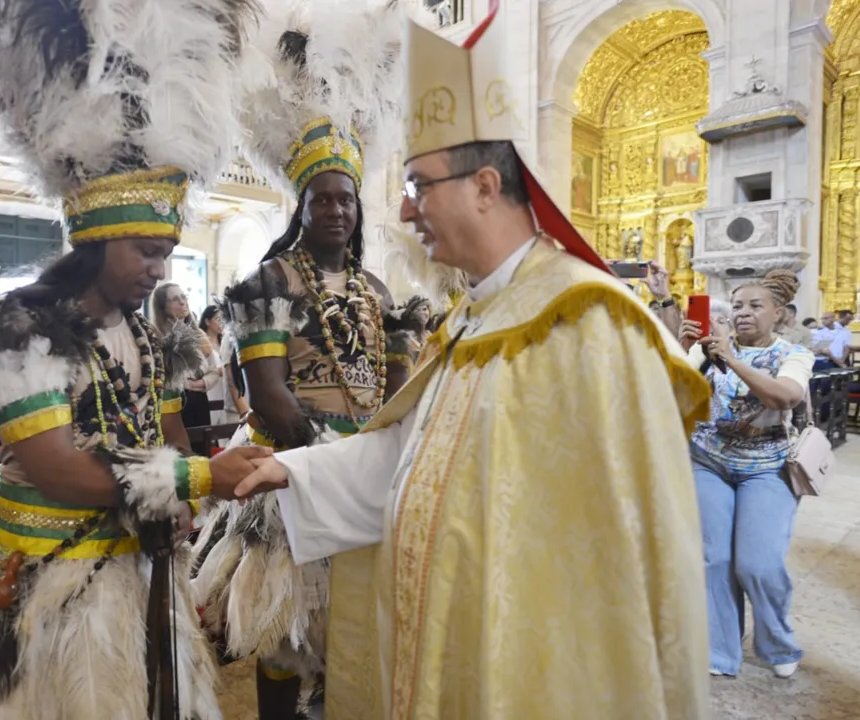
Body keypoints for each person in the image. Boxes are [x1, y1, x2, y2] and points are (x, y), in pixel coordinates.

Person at [229, 5, 711, 718]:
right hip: (445, 628)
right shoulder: (472, 318)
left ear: (486, 187)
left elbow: (627, 550)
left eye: (420, 183)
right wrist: (290, 467)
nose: (400, 206)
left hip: (535, 655)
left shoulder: (589, 322)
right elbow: (413, 455)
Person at [0, 1, 267, 717]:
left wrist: (182, 493)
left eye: (167, 253)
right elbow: (55, 466)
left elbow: (168, 430)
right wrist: (196, 479)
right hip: (42, 573)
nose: (160, 270)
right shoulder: (19, 322)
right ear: (96, 242)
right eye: (146, 251)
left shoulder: (149, 332)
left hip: (134, 563)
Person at [190, 3, 417, 716]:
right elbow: (269, 397)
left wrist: (384, 448)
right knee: (284, 630)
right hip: (292, 467)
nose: (335, 211)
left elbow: (399, 383)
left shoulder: (378, 289)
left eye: (345, 200)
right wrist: (327, 457)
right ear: (301, 205)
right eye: (321, 200)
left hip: (362, 470)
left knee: (349, 626)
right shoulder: (266, 284)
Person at [679, 270, 814, 678]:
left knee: (758, 563)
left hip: (767, 467)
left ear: (779, 313)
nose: (743, 313)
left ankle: (777, 644)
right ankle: (719, 651)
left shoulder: (794, 354)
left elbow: (785, 395)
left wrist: (732, 360)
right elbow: (671, 392)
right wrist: (683, 350)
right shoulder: (709, 348)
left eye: (755, 306)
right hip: (709, 460)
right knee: (713, 557)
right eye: (737, 306)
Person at [153, 282, 211, 428]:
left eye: (183, 297)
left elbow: (214, 370)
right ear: (162, 306)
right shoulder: (157, 336)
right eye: (175, 299)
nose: (182, 302)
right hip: (172, 403)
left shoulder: (198, 333)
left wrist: (201, 383)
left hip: (199, 401)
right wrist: (185, 384)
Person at [198, 305, 227, 425]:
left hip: (224, 388)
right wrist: (221, 371)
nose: (221, 323)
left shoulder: (225, 342)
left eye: (223, 319)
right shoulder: (201, 342)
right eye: (217, 319)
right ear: (207, 321)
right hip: (211, 389)